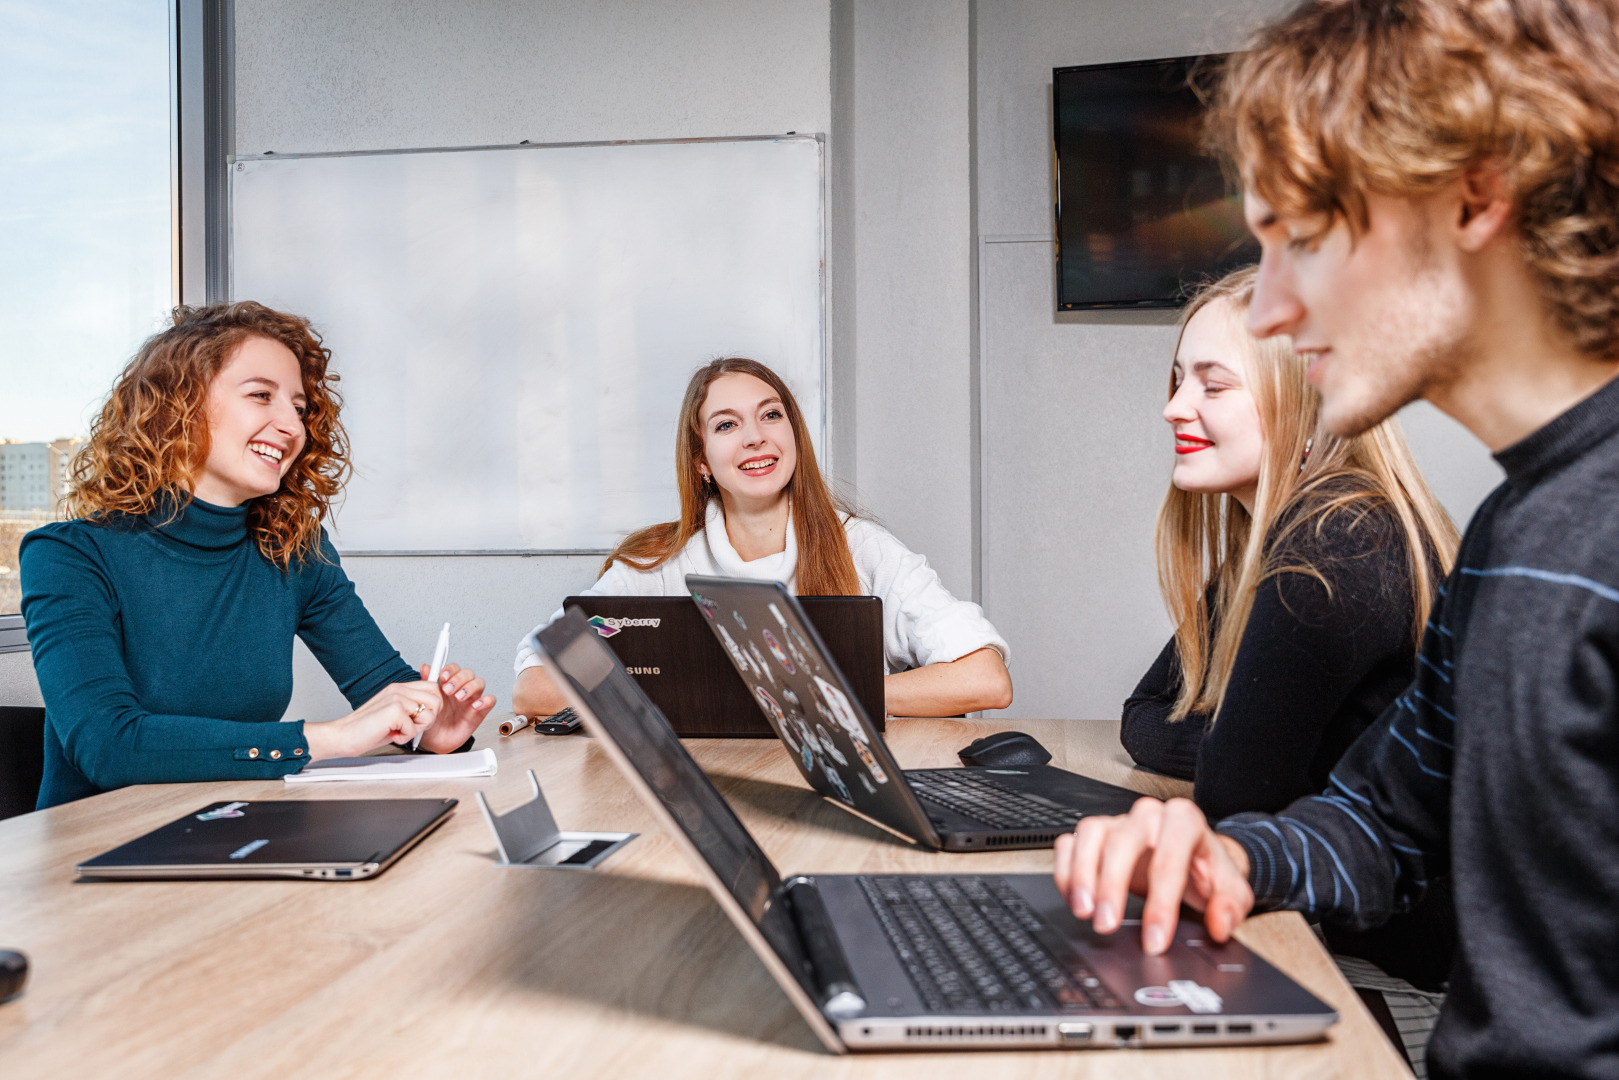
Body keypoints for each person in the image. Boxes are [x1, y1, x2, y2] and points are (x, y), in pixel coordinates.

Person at [1054, 3, 1619, 1078]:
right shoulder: (1514, 531)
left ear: (1475, 191)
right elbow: (1383, 825)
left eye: (1301, 242)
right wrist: (1225, 858)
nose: (1266, 310)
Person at [21, 302, 496, 809]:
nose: (291, 425)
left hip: (234, 824)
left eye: (298, 407)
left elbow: (385, 692)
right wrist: (328, 739)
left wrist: (433, 731)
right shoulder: (68, 554)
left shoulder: (297, 551)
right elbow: (108, 746)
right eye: (261, 395)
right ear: (177, 404)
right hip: (94, 850)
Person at [1123, 265, 1457, 828]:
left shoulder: (1338, 541)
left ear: (1312, 409)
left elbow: (1234, 796)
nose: (1174, 407)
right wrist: (1276, 746)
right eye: (1178, 379)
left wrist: (1258, 747)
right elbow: (1146, 716)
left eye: (1215, 384)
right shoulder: (1277, 536)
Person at [513, 357, 1011, 718]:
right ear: (701, 461)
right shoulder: (658, 562)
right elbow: (535, 689)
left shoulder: (863, 546)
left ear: (793, 434)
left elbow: (985, 679)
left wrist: (813, 694)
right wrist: (722, 691)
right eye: (727, 424)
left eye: (771, 415)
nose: (755, 437)